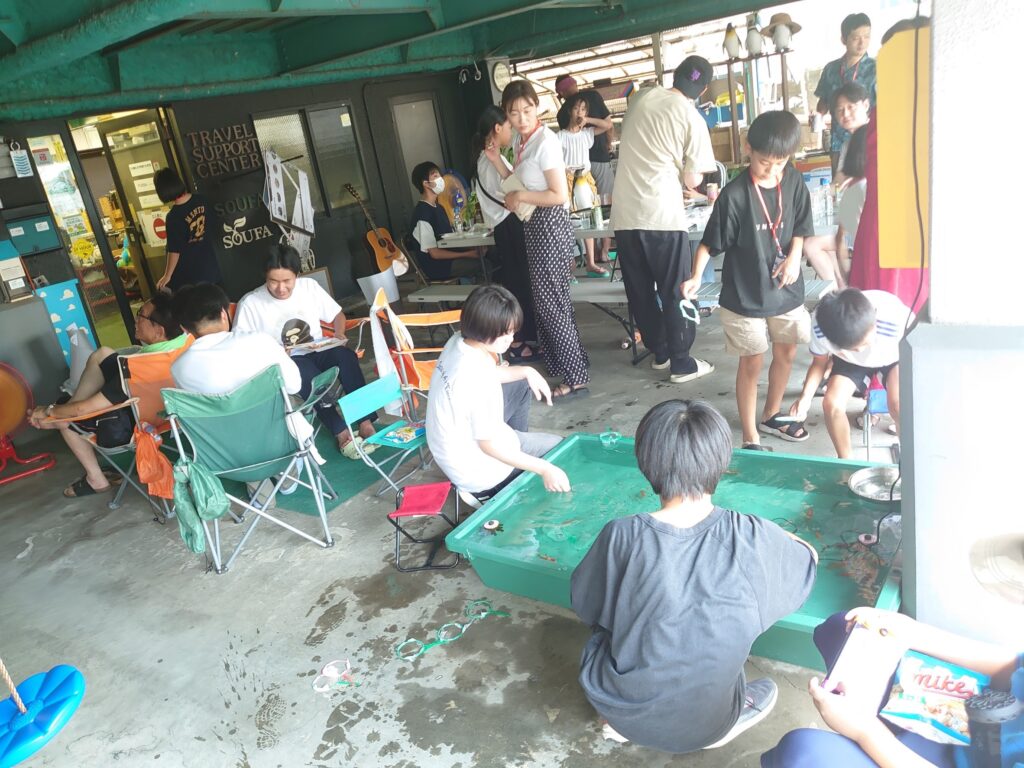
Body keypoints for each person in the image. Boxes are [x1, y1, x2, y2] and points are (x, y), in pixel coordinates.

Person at [570, 399, 818, 753]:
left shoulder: (620, 534)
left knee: (604, 632)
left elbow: (587, 606)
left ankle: (619, 720)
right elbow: (808, 562)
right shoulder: (753, 535)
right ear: (722, 461)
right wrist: (781, 538)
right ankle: (729, 718)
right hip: (707, 727)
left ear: (645, 461)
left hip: (620, 708)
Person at [683, 111, 813, 451]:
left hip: (786, 289)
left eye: (780, 163)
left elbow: (801, 226)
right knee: (752, 360)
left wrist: (795, 257)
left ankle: (771, 415)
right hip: (745, 295)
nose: (771, 170)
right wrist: (695, 277)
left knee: (786, 352)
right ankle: (750, 435)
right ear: (747, 149)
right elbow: (709, 243)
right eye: (764, 162)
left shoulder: (793, 181)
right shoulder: (735, 195)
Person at [761, 607, 1020, 768]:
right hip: (973, 713)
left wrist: (865, 731)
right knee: (850, 631)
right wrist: (910, 631)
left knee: (803, 752)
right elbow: (1011, 665)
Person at [612, 56, 717, 384]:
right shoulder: (692, 117)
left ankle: (661, 353)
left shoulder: (642, 97)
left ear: (675, 76)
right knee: (676, 289)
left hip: (625, 214)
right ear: (703, 90)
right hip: (661, 215)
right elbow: (692, 179)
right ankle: (682, 363)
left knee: (640, 290)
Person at [27, 294, 187, 497]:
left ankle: (96, 479)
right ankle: (61, 415)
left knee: (65, 414)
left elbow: (81, 409)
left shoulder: (137, 368)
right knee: (102, 354)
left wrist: (50, 412)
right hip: (174, 416)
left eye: (141, 315)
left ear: (159, 330)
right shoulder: (186, 344)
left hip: (135, 425)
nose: (136, 319)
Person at [490, 79, 591, 399]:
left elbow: (558, 195)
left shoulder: (545, 141)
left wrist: (520, 195)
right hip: (535, 227)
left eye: (527, 110)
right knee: (550, 302)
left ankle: (575, 376)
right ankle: (569, 364)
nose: (521, 118)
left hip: (549, 226)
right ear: (506, 115)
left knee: (552, 305)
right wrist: (497, 161)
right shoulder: (524, 143)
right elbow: (521, 183)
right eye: (514, 113)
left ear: (537, 108)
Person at [233, 244, 376, 457]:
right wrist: (272, 353)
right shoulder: (251, 303)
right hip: (287, 360)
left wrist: (339, 333)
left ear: (297, 275)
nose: (281, 288)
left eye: (287, 281)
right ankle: (341, 431)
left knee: (346, 357)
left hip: (319, 348)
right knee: (308, 377)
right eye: (273, 281)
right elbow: (240, 345)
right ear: (265, 276)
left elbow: (337, 315)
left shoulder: (308, 287)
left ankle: (365, 421)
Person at [425, 285, 566, 500]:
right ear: (483, 328)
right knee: (561, 448)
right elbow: (488, 446)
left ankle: (518, 455)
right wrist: (545, 468)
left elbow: (489, 373)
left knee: (520, 383)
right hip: (479, 474)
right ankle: (503, 481)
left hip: (451, 452)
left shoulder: (458, 342)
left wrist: (527, 371)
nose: (510, 339)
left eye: (512, 331)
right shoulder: (480, 381)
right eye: (504, 333)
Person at [787, 288, 911, 459]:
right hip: (850, 362)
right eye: (854, 348)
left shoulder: (895, 316)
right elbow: (819, 363)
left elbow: (916, 356)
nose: (861, 350)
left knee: (899, 405)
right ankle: (846, 462)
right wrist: (805, 398)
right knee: (831, 404)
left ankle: (910, 460)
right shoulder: (822, 326)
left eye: (864, 344)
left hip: (893, 358)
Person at [472, 105, 538, 363]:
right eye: (509, 126)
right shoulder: (491, 162)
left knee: (518, 284)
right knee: (520, 286)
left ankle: (523, 340)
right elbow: (515, 192)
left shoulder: (485, 159)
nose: (513, 130)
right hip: (510, 226)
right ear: (497, 128)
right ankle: (519, 343)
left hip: (505, 228)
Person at [170, 282, 301, 395]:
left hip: (224, 418)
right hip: (278, 416)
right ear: (223, 314)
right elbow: (294, 386)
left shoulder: (179, 368)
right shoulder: (261, 341)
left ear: (184, 329)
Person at [803, 82, 871, 288]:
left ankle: (841, 292)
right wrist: (819, 195)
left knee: (813, 244)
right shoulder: (848, 144)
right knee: (822, 244)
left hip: (867, 227)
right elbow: (838, 182)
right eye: (840, 110)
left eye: (851, 107)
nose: (845, 114)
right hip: (853, 221)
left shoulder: (874, 138)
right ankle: (842, 290)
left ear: (866, 105)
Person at [813, 13, 877, 175]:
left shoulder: (877, 69)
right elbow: (824, 101)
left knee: (866, 183)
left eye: (867, 36)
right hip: (838, 142)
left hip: (866, 142)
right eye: (856, 38)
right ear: (843, 39)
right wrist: (818, 116)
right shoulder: (831, 69)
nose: (862, 42)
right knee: (839, 185)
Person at [557, 93, 613, 277]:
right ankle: (569, 264)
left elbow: (607, 125)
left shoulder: (587, 134)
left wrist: (587, 120)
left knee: (589, 219)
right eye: (576, 108)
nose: (579, 112)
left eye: (583, 109)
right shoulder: (560, 136)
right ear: (569, 111)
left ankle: (590, 262)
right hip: (567, 180)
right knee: (568, 222)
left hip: (585, 179)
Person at [408, 161, 482, 282]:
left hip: (450, 258)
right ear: (426, 184)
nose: (441, 179)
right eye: (435, 176)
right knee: (483, 265)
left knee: (490, 255)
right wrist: (467, 254)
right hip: (438, 266)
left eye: (440, 175)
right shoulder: (422, 214)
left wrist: (472, 249)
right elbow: (434, 253)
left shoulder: (440, 208)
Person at [154, 169, 223, 291]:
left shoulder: (173, 217)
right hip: (211, 265)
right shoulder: (202, 200)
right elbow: (214, 224)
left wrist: (167, 275)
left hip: (190, 274)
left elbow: (174, 251)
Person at [835, 126, 869, 281]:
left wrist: (848, 277)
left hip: (862, 267)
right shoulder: (865, 186)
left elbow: (840, 240)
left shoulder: (853, 188)